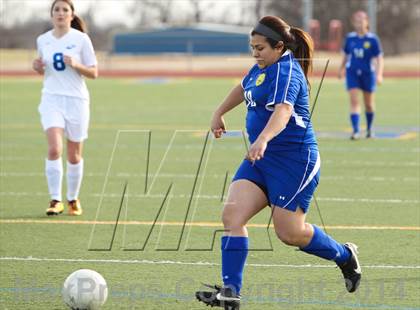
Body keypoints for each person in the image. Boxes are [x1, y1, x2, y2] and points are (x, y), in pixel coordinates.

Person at [195, 16, 361, 309]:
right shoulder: (262, 66)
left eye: (260, 47)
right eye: (252, 47)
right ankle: (231, 293)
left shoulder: (287, 72)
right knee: (232, 217)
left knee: (289, 233)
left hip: (295, 161)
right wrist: (218, 111)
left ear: (279, 47)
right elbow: (243, 87)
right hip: (261, 159)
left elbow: (283, 111)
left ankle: (345, 255)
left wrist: (263, 139)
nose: (255, 52)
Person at [32, 0, 98, 216]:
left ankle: (72, 199)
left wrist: (76, 64)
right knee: (54, 149)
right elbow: (45, 69)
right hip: (51, 99)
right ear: (51, 15)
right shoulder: (43, 40)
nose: (60, 13)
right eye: (56, 10)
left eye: (65, 10)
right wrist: (37, 67)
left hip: (76, 101)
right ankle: (55, 199)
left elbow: (94, 73)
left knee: (74, 155)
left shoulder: (81, 39)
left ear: (72, 15)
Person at [338, 10, 384, 140]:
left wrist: (379, 74)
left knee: (368, 104)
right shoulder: (350, 38)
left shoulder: (372, 39)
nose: (359, 23)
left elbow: (379, 58)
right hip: (352, 72)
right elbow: (346, 55)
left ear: (366, 22)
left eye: (362, 21)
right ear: (354, 23)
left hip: (368, 74)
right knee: (354, 101)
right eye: (357, 21)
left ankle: (369, 129)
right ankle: (356, 131)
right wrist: (341, 69)